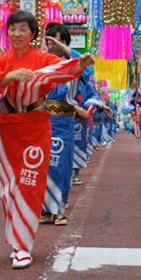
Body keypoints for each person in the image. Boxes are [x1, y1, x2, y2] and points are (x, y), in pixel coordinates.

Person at [0, 11, 92, 269]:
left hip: (36, 128)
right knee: (8, 188)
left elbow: (61, 70)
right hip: (7, 129)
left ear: (32, 34)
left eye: (23, 29)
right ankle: (18, 238)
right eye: (13, 29)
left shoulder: (41, 58)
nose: (16, 34)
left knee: (30, 183)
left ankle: (23, 246)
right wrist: (10, 77)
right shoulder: (1, 60)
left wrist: (79, 64)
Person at [40, 22, 86, 226]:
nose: (55, 45)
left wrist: (79, 107)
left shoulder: (73, 65)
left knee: (60, 164)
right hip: (42, 120)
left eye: (60, 40)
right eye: (51, 40)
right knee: (42, 165)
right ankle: (45, 209)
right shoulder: (41, 63)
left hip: (63, 122)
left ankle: (58, 208)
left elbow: (82, 61)